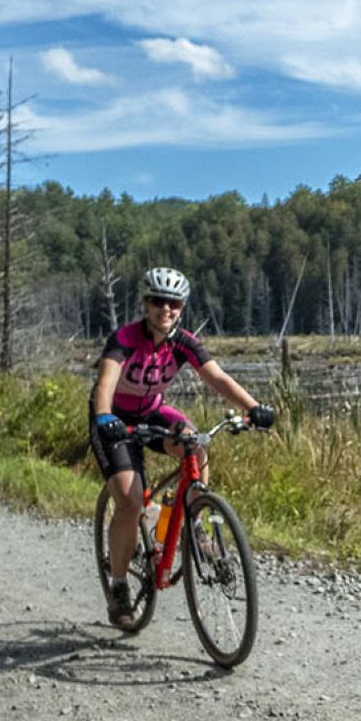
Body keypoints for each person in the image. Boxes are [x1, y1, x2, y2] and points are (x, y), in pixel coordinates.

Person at [89, 266, 275, 627]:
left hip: (152, 411)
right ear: (145, 304)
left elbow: (217, 377)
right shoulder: (125, 338)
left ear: (182, 307)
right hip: (114, 419)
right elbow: (105, 383)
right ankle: (119, 586)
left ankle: (194, 518)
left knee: (194, 443)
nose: (166, 309)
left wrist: (253, 408)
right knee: (129, 499)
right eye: (158, 301)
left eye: (174, 303)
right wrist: (103, 418)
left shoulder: (183, 342)